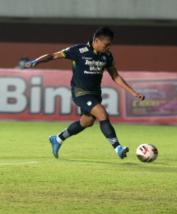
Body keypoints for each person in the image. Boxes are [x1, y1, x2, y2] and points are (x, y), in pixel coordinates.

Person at [24, 27, 145, 159]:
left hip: (95, 94)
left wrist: (133, 92)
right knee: (102, 113)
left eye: (110, 44)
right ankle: (118, 147)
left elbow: (115, 76)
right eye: (106, 44)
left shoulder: (107, 56)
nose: (108, 47)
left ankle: (57, 139)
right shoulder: (78, 50)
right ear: (96, 40)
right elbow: (53, 55)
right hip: (80, 92)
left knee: (86, 122)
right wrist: (36, 61)